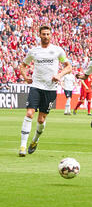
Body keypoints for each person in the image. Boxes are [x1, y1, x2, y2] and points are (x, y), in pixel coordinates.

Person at [18, 25, 72, 156]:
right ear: (39, 35)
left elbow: (68, 66)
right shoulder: (34, 51)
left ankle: (35, 140)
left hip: (50, 89)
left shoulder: (57, 50)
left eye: (48, 34)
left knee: (41, 120)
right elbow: (23, 65)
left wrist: (59, 75)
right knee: (30, 113)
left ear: (50, 35)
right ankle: (22, 146)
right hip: (36, 87)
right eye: (43, 34)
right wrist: (26, 77)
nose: (46, 36)